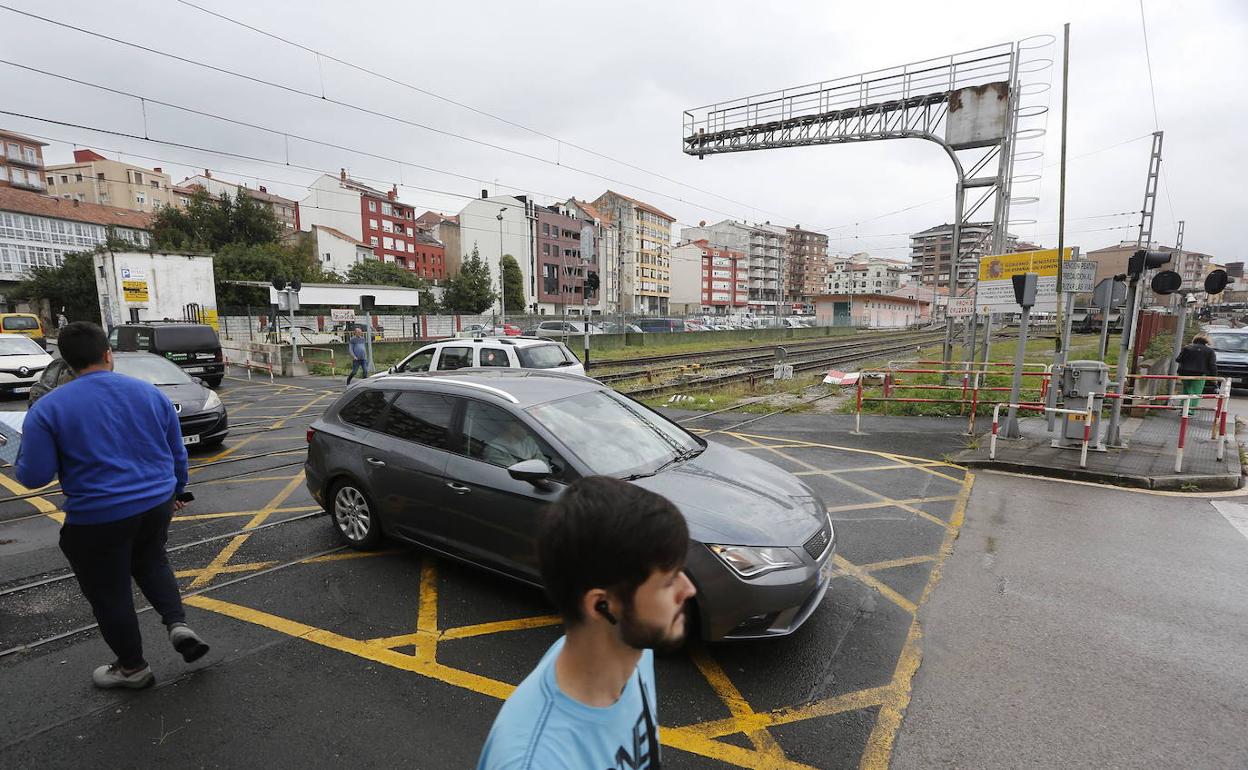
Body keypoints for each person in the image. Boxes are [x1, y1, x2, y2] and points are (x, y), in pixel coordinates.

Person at [16, 322, 209, 690]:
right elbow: (176, 453)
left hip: (97, 517)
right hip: (155, 504)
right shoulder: (149, 394)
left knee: (110, 592)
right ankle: (177, 622)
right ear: (109, 355)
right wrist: (177, 493)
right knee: (152, 560)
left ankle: (133, 668)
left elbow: (34, 476)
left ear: (66, 364)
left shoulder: (48, 409)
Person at [478, 476, 696, 770]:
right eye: (669, 582)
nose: (688, 589)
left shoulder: (634, 653)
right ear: (601, 605)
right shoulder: (534, 761)